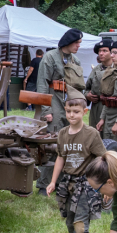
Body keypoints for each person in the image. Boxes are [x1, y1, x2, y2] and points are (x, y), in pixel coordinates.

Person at [45, 88, 106, 233]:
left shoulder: (91, 134)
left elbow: (103, 158)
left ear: (84, 112)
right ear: (65, 110)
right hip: (67, 184)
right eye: (69, 111)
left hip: (85, 186)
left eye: (76, 111)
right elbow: (61, 158)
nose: (72, 115)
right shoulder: (62, 133)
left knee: (80, 222)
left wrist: (102, 186)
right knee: (70, 222)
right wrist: (53, 181)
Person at [36, 30, 86, 189]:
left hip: (70, 102)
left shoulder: (75, 60)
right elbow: (42, 84)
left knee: (69, 143)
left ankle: (62, 182)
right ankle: (44, 184)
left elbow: (78, 86)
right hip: (54, 101)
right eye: (77, 42)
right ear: (68, 42)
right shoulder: (50, 57)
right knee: (51, 143)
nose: (79, 46)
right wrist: (46, 110)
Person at [85, 39, 117, 129]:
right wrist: (88, 95)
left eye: (104, 51)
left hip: (110, 108)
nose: (101, 53)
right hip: (96, 108)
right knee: (94, 134)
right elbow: (87, 87)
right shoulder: (96, 69)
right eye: (99, 51)